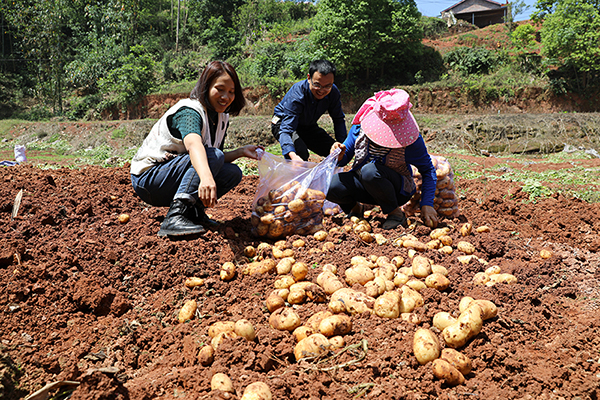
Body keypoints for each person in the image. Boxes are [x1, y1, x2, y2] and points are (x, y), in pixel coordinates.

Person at [130, 60, 263, 237]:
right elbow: (195, 146)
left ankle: (194, 213)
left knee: (233, 172)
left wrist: (240, 153)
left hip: (171, 176)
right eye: (220, 89)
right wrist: (207, 178)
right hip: (149, 179)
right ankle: (175, 216)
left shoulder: (221, 117)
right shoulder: (190, 111)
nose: (226, 96)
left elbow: (212, 158)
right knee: (212, 158)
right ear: (206, 86)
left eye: (231, 92)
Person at [327, 88, 439, 230]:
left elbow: (428, 170)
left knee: (369, 171)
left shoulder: (411, 141)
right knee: (331, 186)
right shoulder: (359, 128)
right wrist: (339, 155)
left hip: (396, 190)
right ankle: (356, 209)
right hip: (365, 184)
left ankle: (396, 214)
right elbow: (345, 158)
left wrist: (427, 204)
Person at [271, 59, 347, 162]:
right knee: (300, 153)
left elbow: (338, 119)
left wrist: (342, 146)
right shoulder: (297, 95)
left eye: (327, 86)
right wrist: (293, 156)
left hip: (306, 125)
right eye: (317, 85)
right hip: (282, 122)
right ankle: (293, 175)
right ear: (309, 78)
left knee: (335, 153)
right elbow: (286, 129)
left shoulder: (333, 92)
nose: (321, 90)